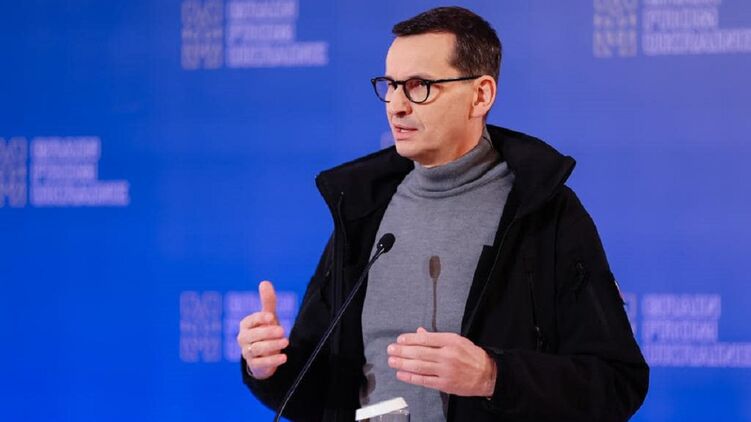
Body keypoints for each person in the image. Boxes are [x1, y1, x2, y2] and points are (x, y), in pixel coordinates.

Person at [237, 6, 649, 422]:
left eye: (419, 86)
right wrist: (269, 368)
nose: (396, 105)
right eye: (390, 85)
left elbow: (616, 383)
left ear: (481, 95)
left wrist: (493, 376)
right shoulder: (363, 210)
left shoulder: (543, 211)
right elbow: (320, 394)